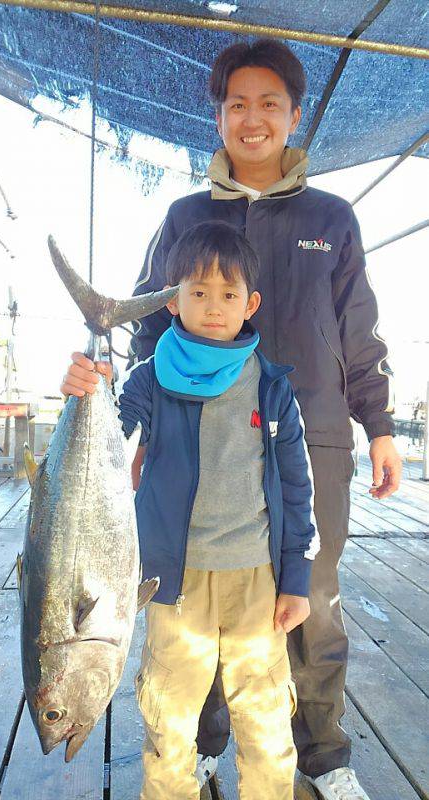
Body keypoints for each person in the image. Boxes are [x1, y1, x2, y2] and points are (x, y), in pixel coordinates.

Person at [128, 38, 402, 800]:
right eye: (237, 104)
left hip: (310, 443)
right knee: (206, 593)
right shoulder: (185, 216)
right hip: (199, 444)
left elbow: (359, 330)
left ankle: (324, 754)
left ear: (294, 114)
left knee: (309, 599)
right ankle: (209, 740)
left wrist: (379, 427)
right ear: (217, 115)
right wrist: (142, 428)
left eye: (269, 103)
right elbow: (148, 326)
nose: (253, 119)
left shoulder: (331, 217)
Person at [61, 221, 318, 799]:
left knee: (266, 718)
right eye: (197, 292)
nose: (213, 307)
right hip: (169, 583)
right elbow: (111, 437)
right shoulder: (147, 380)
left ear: (250, 304)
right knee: (169, 718)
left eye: (228, 295)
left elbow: (299, 488)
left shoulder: (273, 387)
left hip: (258, 580)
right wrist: (86, 390)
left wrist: (296, 580)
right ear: (173, 300)